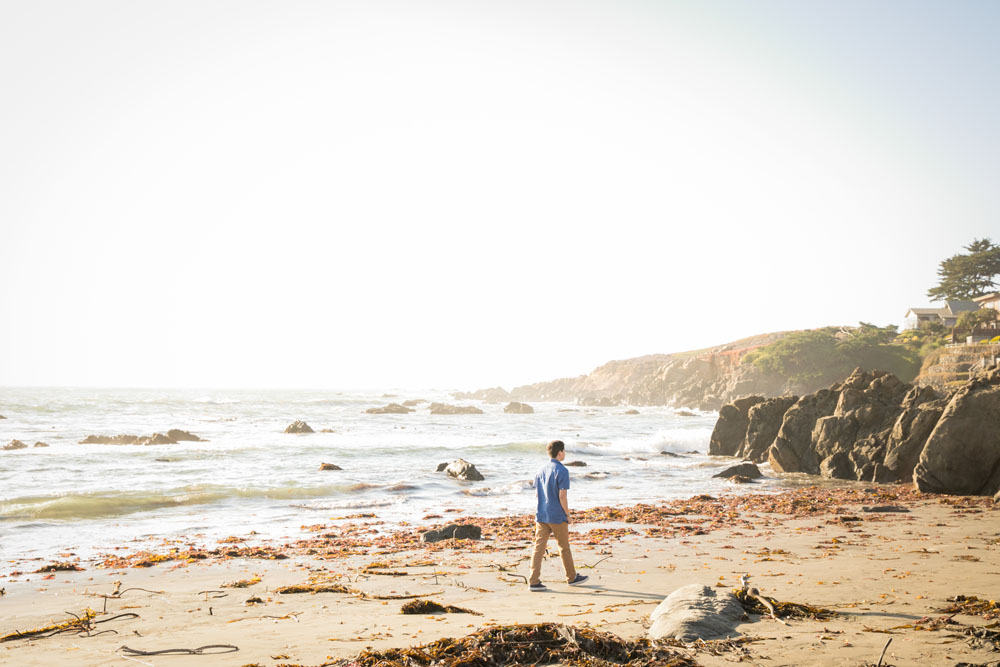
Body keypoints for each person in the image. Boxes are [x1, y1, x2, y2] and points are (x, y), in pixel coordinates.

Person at [528, 440, 588, 591]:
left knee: (538, 548)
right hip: (556, 515)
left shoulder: (541, 469)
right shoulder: (562, 471)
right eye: (564, 451)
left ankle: (533, 580)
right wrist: (567, 514)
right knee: (563, 547)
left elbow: (537, 494)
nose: (565, 453)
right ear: (560, 452)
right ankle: (571, 577)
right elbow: (562, 496)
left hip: (542, 514)